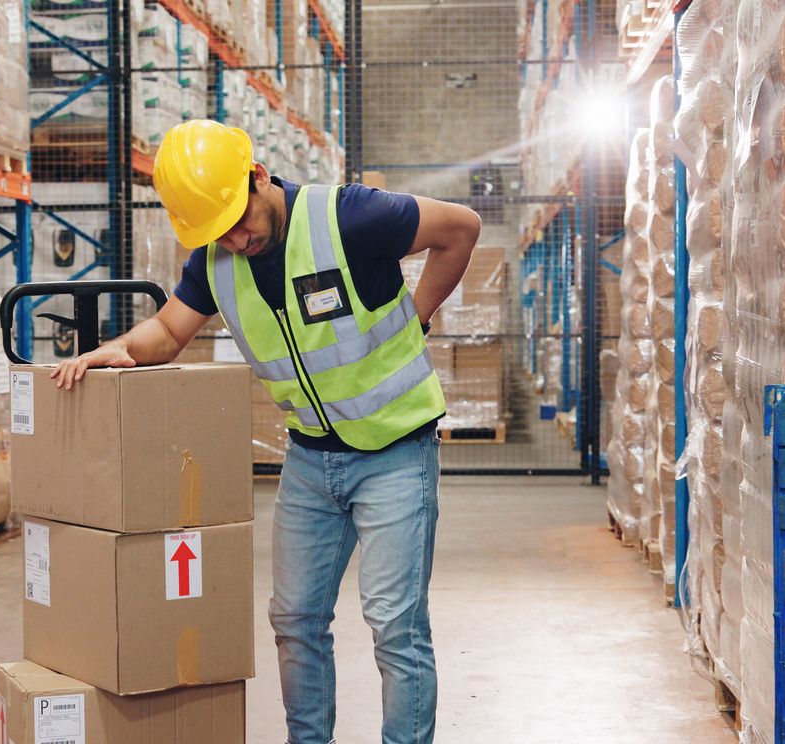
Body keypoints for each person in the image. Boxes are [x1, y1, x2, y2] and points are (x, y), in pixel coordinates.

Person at [51, 120, 481, 744]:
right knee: (296, 619)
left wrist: (419, 311)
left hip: (396, 448)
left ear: (259, 178)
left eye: (239, 220)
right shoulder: (218, 259)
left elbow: (461, 229)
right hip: (310, 458)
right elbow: (171, 332)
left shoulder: (349, 216)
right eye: (219, 231)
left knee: (394, 623)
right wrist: (115, 349)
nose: (236, 239)